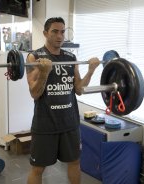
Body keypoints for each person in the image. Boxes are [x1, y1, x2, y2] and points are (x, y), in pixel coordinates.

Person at [26, 17, 100, 184]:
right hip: (45, 123)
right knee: (38, 168)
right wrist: (44, 72)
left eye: (62, 32)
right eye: (54, 31)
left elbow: (79, 89)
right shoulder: (34, 57)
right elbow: (34, 93)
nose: (59, 36)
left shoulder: (70, 57)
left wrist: (91, 71)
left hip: (70, 122)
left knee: (75, 162)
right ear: (45, 33)